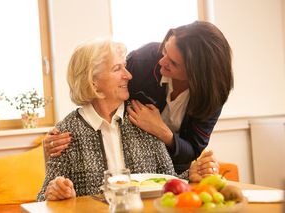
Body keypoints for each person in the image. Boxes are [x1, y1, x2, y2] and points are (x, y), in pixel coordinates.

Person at [43, 20, 232, 175]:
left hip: (173, 165)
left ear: (196, 73)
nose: (161, 61)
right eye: (165, 50)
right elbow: (101, 91)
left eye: (173, 63)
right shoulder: (143, 63)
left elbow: (190, 152)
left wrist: (162, 132)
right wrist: (56, 138)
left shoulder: (212, 93)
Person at [37, 39, 217, 201]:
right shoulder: (66, 132)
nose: (129, 75)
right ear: (93, 82)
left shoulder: (144, 118)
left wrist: (190, 175)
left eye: (125, 66)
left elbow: (167, 179)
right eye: (117, 68)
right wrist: (57, 193)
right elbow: (43, 197)